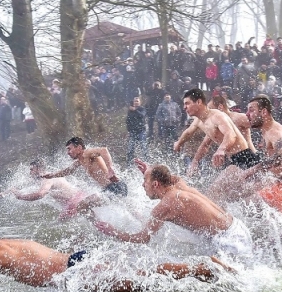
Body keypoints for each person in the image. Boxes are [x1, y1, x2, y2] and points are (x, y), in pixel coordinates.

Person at [0, 234, 218, 292]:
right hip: (76, 263)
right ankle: (195, 271)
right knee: (136, 281)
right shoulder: (4, 245)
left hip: (75, 271)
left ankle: (199, 268)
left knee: (139, 280)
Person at [94, 162, 253, 256]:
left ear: (156, 184)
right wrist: (150, 171)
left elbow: (143, 238)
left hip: (229, 242)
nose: (143, 185)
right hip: (237, 227)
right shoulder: (179, 185)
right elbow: (170, 176)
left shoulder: (164, 206)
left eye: (145, 181)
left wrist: (113, 231)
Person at [176, 88, 258, 176]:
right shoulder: (199, 121)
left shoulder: (218, 116)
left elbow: (231, 134)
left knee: (217, 187)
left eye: (187, 103)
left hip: (245, 156)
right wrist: (179, 144)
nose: (184, 107)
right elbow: (190, 134)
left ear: (199, 102)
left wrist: (221, 150)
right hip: (231, 158)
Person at [41, 137, 127, 217]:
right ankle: (101, 226)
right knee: (130, 210)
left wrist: (110, 169)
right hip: (110, 189)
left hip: (115, 187)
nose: (68, 153)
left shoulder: (87, 153)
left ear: (79, 147)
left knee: (82, 205)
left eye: (69, 149)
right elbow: (67, 171)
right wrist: (52, 175)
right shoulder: (80, 161)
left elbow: (104, 150)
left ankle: (99, 227)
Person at [0, 160, 88, 219]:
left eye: (32, 169)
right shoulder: (38, 179)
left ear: (39, 169)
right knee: (63, 223)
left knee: (61, 224)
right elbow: (20, 186)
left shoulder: (47, 179)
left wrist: (20, 197)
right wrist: (5, 192)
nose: (30, 172)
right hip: (73, 200)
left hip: (75, 201)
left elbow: (40, 194)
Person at [126, 96, 148, 164]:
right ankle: (129, 162)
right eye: (135, 101)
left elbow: (142, 115)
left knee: (143, 146)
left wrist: (135, 110)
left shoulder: (142, 109)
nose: (136, 102)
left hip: (141, 131)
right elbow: (127, 120)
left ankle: (146, 161)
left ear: (140, 102)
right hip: (133, 131)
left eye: (137, 101)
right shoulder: (130, 111)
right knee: (131, 148)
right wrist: (129, 129)